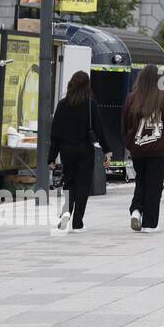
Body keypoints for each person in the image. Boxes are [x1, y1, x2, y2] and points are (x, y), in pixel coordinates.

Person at [48, 70, 111, 232]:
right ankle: (78, 223)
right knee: (83, 184)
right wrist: (107, 150)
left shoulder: (62, 104)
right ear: (87, 85)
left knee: (69, 182)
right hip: (85, 149)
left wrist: (51, 158)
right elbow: (99, 129)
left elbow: (55, 133)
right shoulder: (90, 104)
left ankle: (66, 211)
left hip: (66, 150)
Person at [122, 64, 164, 232]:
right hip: (158, 148)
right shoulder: (163, 98)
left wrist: (129, 143)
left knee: (141, 180)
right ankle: (149, 223)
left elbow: (125, 124)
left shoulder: (131, 98)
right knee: (154, 184)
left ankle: (136, 210)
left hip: (138, 148)